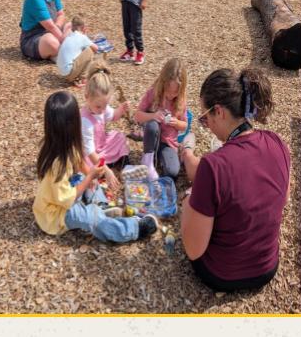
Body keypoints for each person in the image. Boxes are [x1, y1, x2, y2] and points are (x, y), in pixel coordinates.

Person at [177, 67, 290, 292]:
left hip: (221, 274)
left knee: (189, 201)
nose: (207, 125)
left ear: (219, 112)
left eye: (205, 118)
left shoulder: (213, 166)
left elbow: (193, 250)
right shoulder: (277, 142)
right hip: (267, 268)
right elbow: (282, 200)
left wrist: (189, 201)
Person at [33, 90, 157, 243]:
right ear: (71, 125)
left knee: (84, 179)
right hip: (55, 214)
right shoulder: (57, 163)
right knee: (92, 217)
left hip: (64, 195)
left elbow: (78, 161)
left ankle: (102, 205)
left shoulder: (63, 143)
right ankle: (134, 228)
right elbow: (68, 199)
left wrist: (88, 174)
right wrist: (90, 177)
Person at [134, 58, 188, 180]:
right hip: (153, 137)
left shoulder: (181, 100)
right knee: (152, 125)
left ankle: (157, 158)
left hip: (167, 143)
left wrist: (176, 122)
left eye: (175, 93)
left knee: (172, 172)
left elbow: (185, 125)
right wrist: (153, 116)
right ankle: (148, 158)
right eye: (168, 91)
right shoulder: (153, 93)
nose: (171, 95)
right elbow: (137, 116)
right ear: (162, 84)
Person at [80, 62, 130, 178]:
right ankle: (108, 166)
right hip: (90, 154)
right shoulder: (85, 121)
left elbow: (113, 116)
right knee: (88, 165)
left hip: (101, 146)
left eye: (105, 105)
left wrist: (121, 109)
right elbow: (90, 151)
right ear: (87, 97)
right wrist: (106, 171)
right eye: (98, 107)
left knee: (120, 137)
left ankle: (124, 165)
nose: (102, 110)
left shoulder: (101, 107)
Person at [55, 16, 98, 86]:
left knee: (84, 50)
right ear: (84, 27)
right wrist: (87, 37)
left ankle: (77, 77)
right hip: (69, 73)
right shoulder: (82, 37)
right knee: (89, 51)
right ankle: (83, 79)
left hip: (63, 72)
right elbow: (96, 48)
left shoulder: (69, 37)